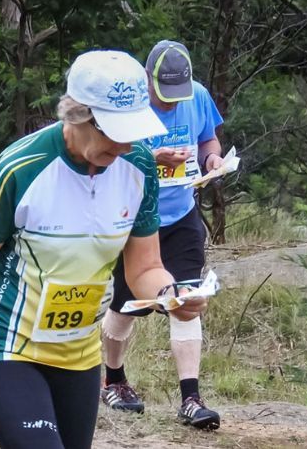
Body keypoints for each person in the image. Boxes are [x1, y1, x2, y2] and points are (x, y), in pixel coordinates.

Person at [0, 50, 208, 449]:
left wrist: (169, 295)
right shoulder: (21, 168)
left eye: (132, 131)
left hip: (79, 355)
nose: (123, 144)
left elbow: (144, 268)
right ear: (76, 115)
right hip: (4, 346)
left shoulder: (138, 167)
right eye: (111, 131)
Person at [99, 40, 224, 430]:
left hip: (182, 213)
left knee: (187, 297)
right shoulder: (130, 103)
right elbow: (108, 154)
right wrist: (152, 159)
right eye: (163, 95)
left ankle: (191, 398)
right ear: (147, 80)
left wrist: (211, 159)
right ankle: (113, 380)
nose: (170, 103)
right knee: (125, 305)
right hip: (134, 219)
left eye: (177, 96)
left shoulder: (198, 95)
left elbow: (209, 137)